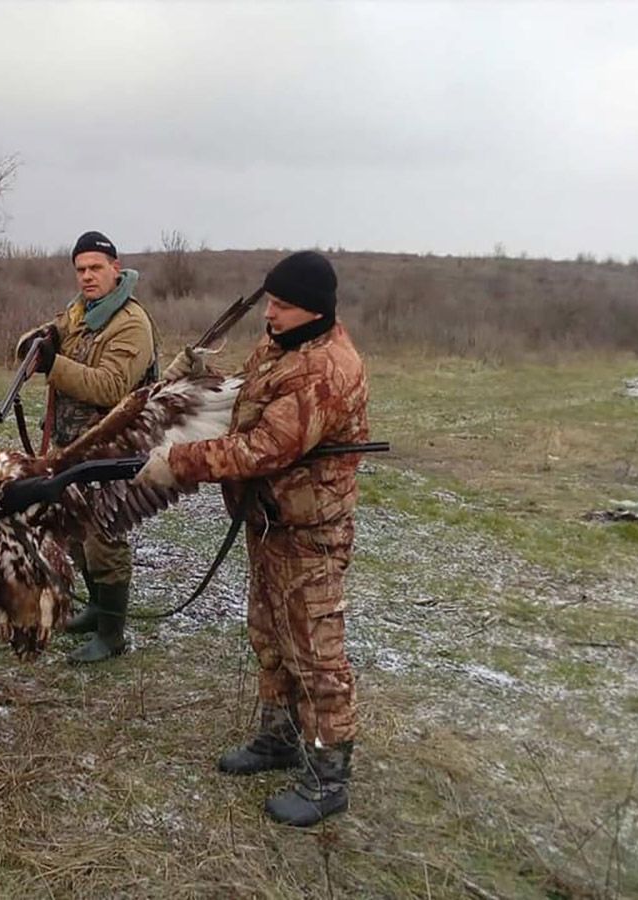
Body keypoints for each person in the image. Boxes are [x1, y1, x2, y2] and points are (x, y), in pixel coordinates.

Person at [137, 250, 368, 826]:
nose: (270, 313)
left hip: (308, 533)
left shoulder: (326, 370)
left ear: (313, 309)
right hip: (269, 522)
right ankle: (279, 739)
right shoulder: (280, 347)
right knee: (270, 635)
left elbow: (263, 447)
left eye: (282, 305)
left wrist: (179, 462)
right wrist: (194, 380)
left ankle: (327, 776)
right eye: (269, 300)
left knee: (316, 652)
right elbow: (246, 402)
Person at [15, 230, 157, 664]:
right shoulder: (83, 310)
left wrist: (53, 365)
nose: (87, 276)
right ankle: (97, 608)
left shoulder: (130, 322)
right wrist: (35, 342)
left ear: (117, 269)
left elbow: (112, 386)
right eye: (80, 269)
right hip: (72, 446)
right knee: (76, 532)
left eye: (96, 267)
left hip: (112, 447)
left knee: (104, 538)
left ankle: (112, 634)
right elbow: (55, 331)